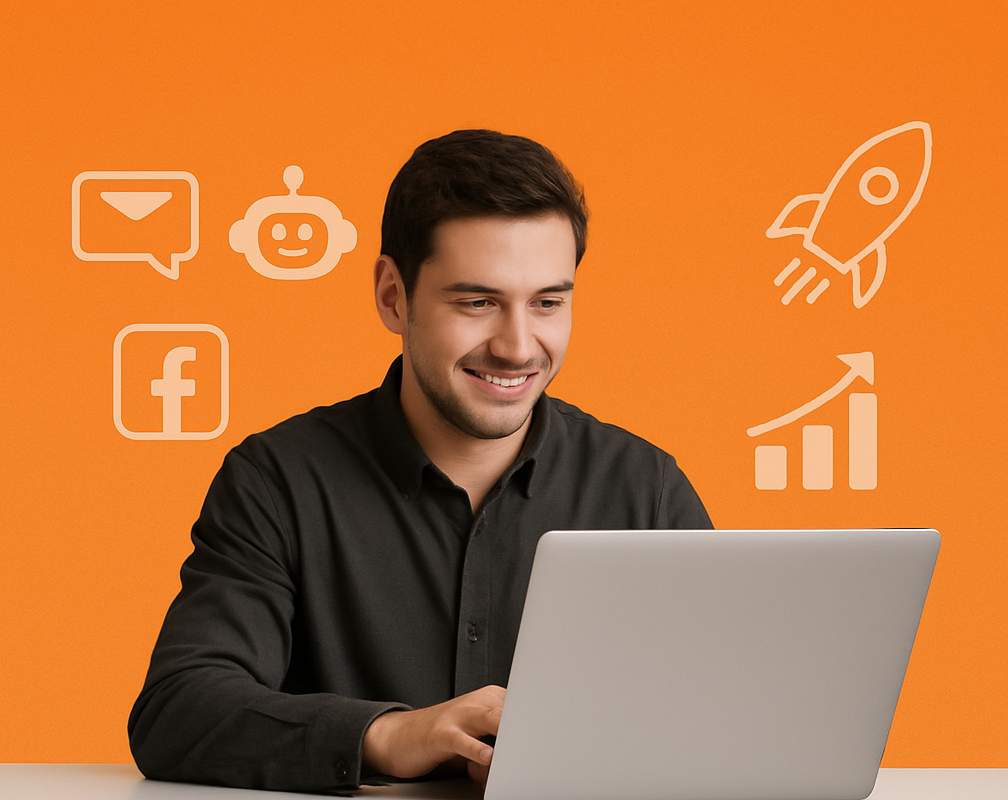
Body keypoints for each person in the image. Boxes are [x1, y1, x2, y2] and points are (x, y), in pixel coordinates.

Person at [128, 129, 713, 793]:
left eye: (548, 302)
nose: (519, 346)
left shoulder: (645, 489)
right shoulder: (278, 480)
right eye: (477, 302)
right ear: (392, 296)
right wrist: (389, 734)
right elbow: (179, 711)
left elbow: (732, 711)